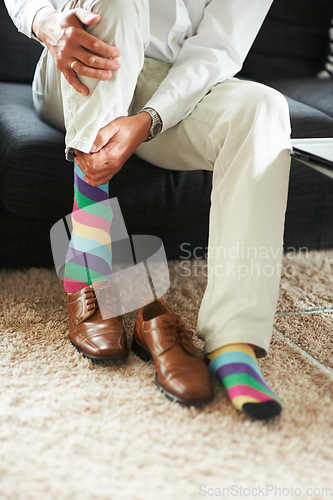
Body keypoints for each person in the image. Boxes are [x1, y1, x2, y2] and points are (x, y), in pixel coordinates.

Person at [5, 0, 291, 420]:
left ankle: (234, 340)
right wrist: (44, 23)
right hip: (75, 66)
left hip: (175, 88)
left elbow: (218, 49)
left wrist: (149, 118)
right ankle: (90, 260)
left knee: (263, 109)